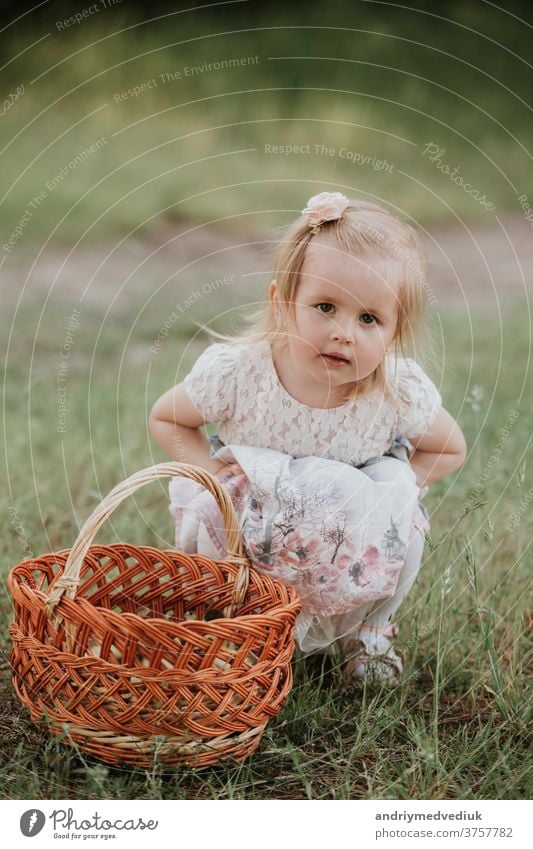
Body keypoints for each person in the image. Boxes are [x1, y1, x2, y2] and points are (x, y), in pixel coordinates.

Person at [149, 192, 467, 685]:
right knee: (210, 508)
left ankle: (366, 629)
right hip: (257, 521)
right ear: (282, 302)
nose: (344, 332)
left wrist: (393, 490)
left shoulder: (394, 389)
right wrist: (209, 470)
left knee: (402, 509)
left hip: (342, 532)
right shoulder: (242, 374)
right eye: (325, 307)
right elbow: (168, 419)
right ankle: (233, 621)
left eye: (369, 319)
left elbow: (449, 448)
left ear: (394, 332)